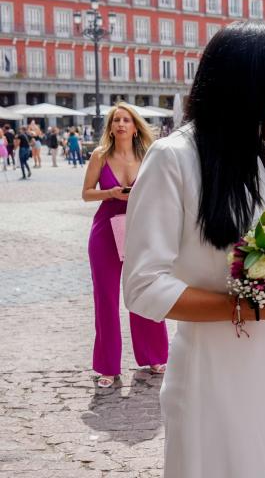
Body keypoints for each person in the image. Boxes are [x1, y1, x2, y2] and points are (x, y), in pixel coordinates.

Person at [122, 22, 265, 478]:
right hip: (211, 374)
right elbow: (143, 286)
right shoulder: (172, 158)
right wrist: (250, 309)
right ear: (244, 81)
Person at [81, 103, 169, 388]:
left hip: (139, 229)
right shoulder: (100, 156)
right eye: (115, 120)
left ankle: (154, 356)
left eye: (126, 119)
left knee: (144, 290)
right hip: (105, 231)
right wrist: (111, 193)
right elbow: (86, 194)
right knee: (106, 299)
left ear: (134, 127)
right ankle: (107, 366)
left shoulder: (147, 156)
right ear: (110, 127)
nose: (120, 124)